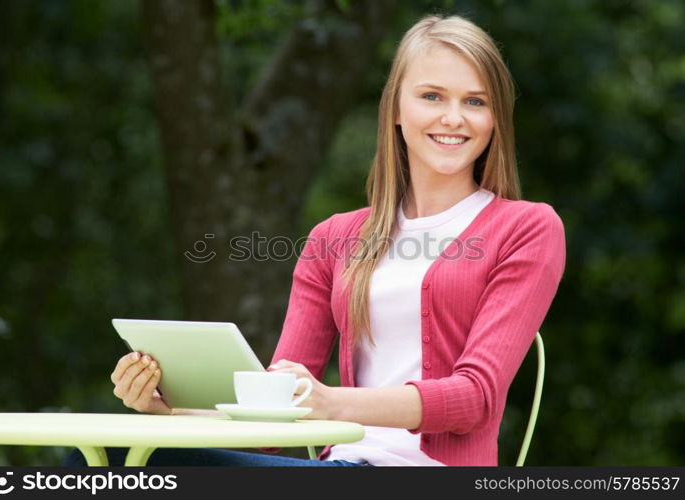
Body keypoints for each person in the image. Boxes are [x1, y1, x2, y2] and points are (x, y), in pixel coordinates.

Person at [64, 14, 566, 467]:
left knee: (137, 471)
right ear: (395, 108)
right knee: (106, 461)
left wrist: (330, 401)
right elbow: (272, 423)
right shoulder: (334, 239)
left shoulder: (526, 228)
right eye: (432, 96)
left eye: (474, 102)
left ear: (495, 118)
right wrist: (168, 408)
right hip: (336, 470)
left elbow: (473, 399)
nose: (453, 118)